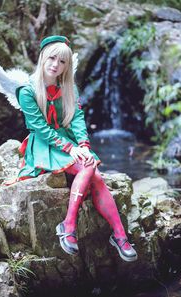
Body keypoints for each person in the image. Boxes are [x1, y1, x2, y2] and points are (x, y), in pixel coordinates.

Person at [14, 35, 137, 262]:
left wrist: (83, 145)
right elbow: (38, 127)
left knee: (92, 170)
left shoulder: (68, 87)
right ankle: (79, 227)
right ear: (42, 57)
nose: (56, 65)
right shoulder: (26, 90)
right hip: (44, 143)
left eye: (62, 62)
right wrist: (70, 149)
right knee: (91, 172)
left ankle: (105, 232)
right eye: (52, 58)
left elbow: (78, 118)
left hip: (69, 140)